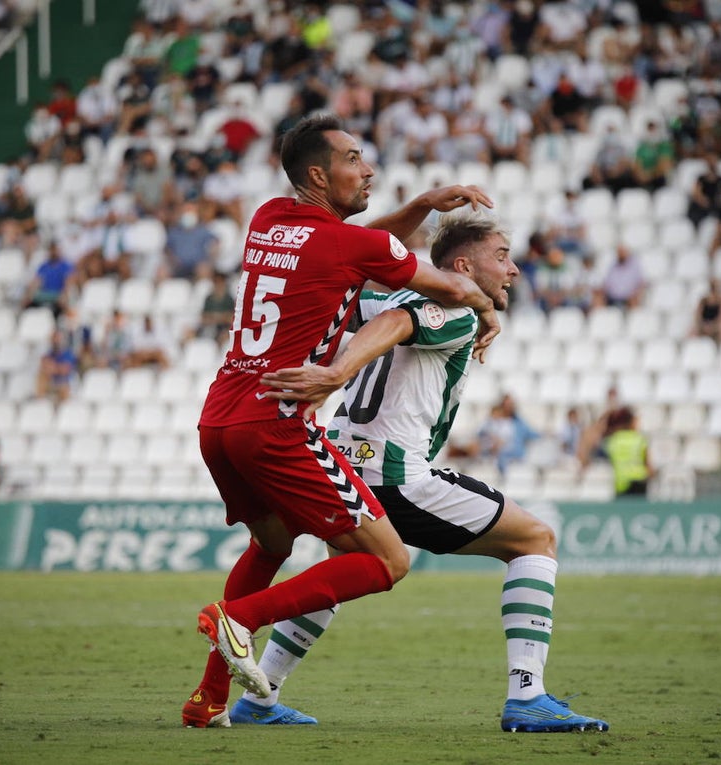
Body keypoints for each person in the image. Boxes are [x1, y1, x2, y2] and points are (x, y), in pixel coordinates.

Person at [181, 113, 501, 729]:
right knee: (387, 563)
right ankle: (238, 620)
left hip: (219, 421)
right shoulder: (355, 245)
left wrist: (419, 206)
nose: (369, 168)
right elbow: (453, 291)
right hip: (279, 423)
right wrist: (488, 306)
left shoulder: (269, 219)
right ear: (320, 174)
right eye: (355, 159)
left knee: (272, 542)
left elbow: (355, 242)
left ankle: (209, 699)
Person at [239, 211, 608, 733]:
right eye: (501, 257)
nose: (513, 270)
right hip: (396, 473)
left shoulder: (381, 297)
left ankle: (261, 696)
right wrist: (335, 373)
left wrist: (423, 204)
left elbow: (363, 281)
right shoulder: (453, 312)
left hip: (343, 461)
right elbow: (403, 323)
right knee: (535, 540)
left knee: (340, 573)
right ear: (462, 266)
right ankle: (528, 694)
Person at [600, 406, 653, 496]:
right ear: (631, 422)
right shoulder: (640, 439)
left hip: (621, 482)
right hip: (639, 481)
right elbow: (648, 465)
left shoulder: (613, 440)